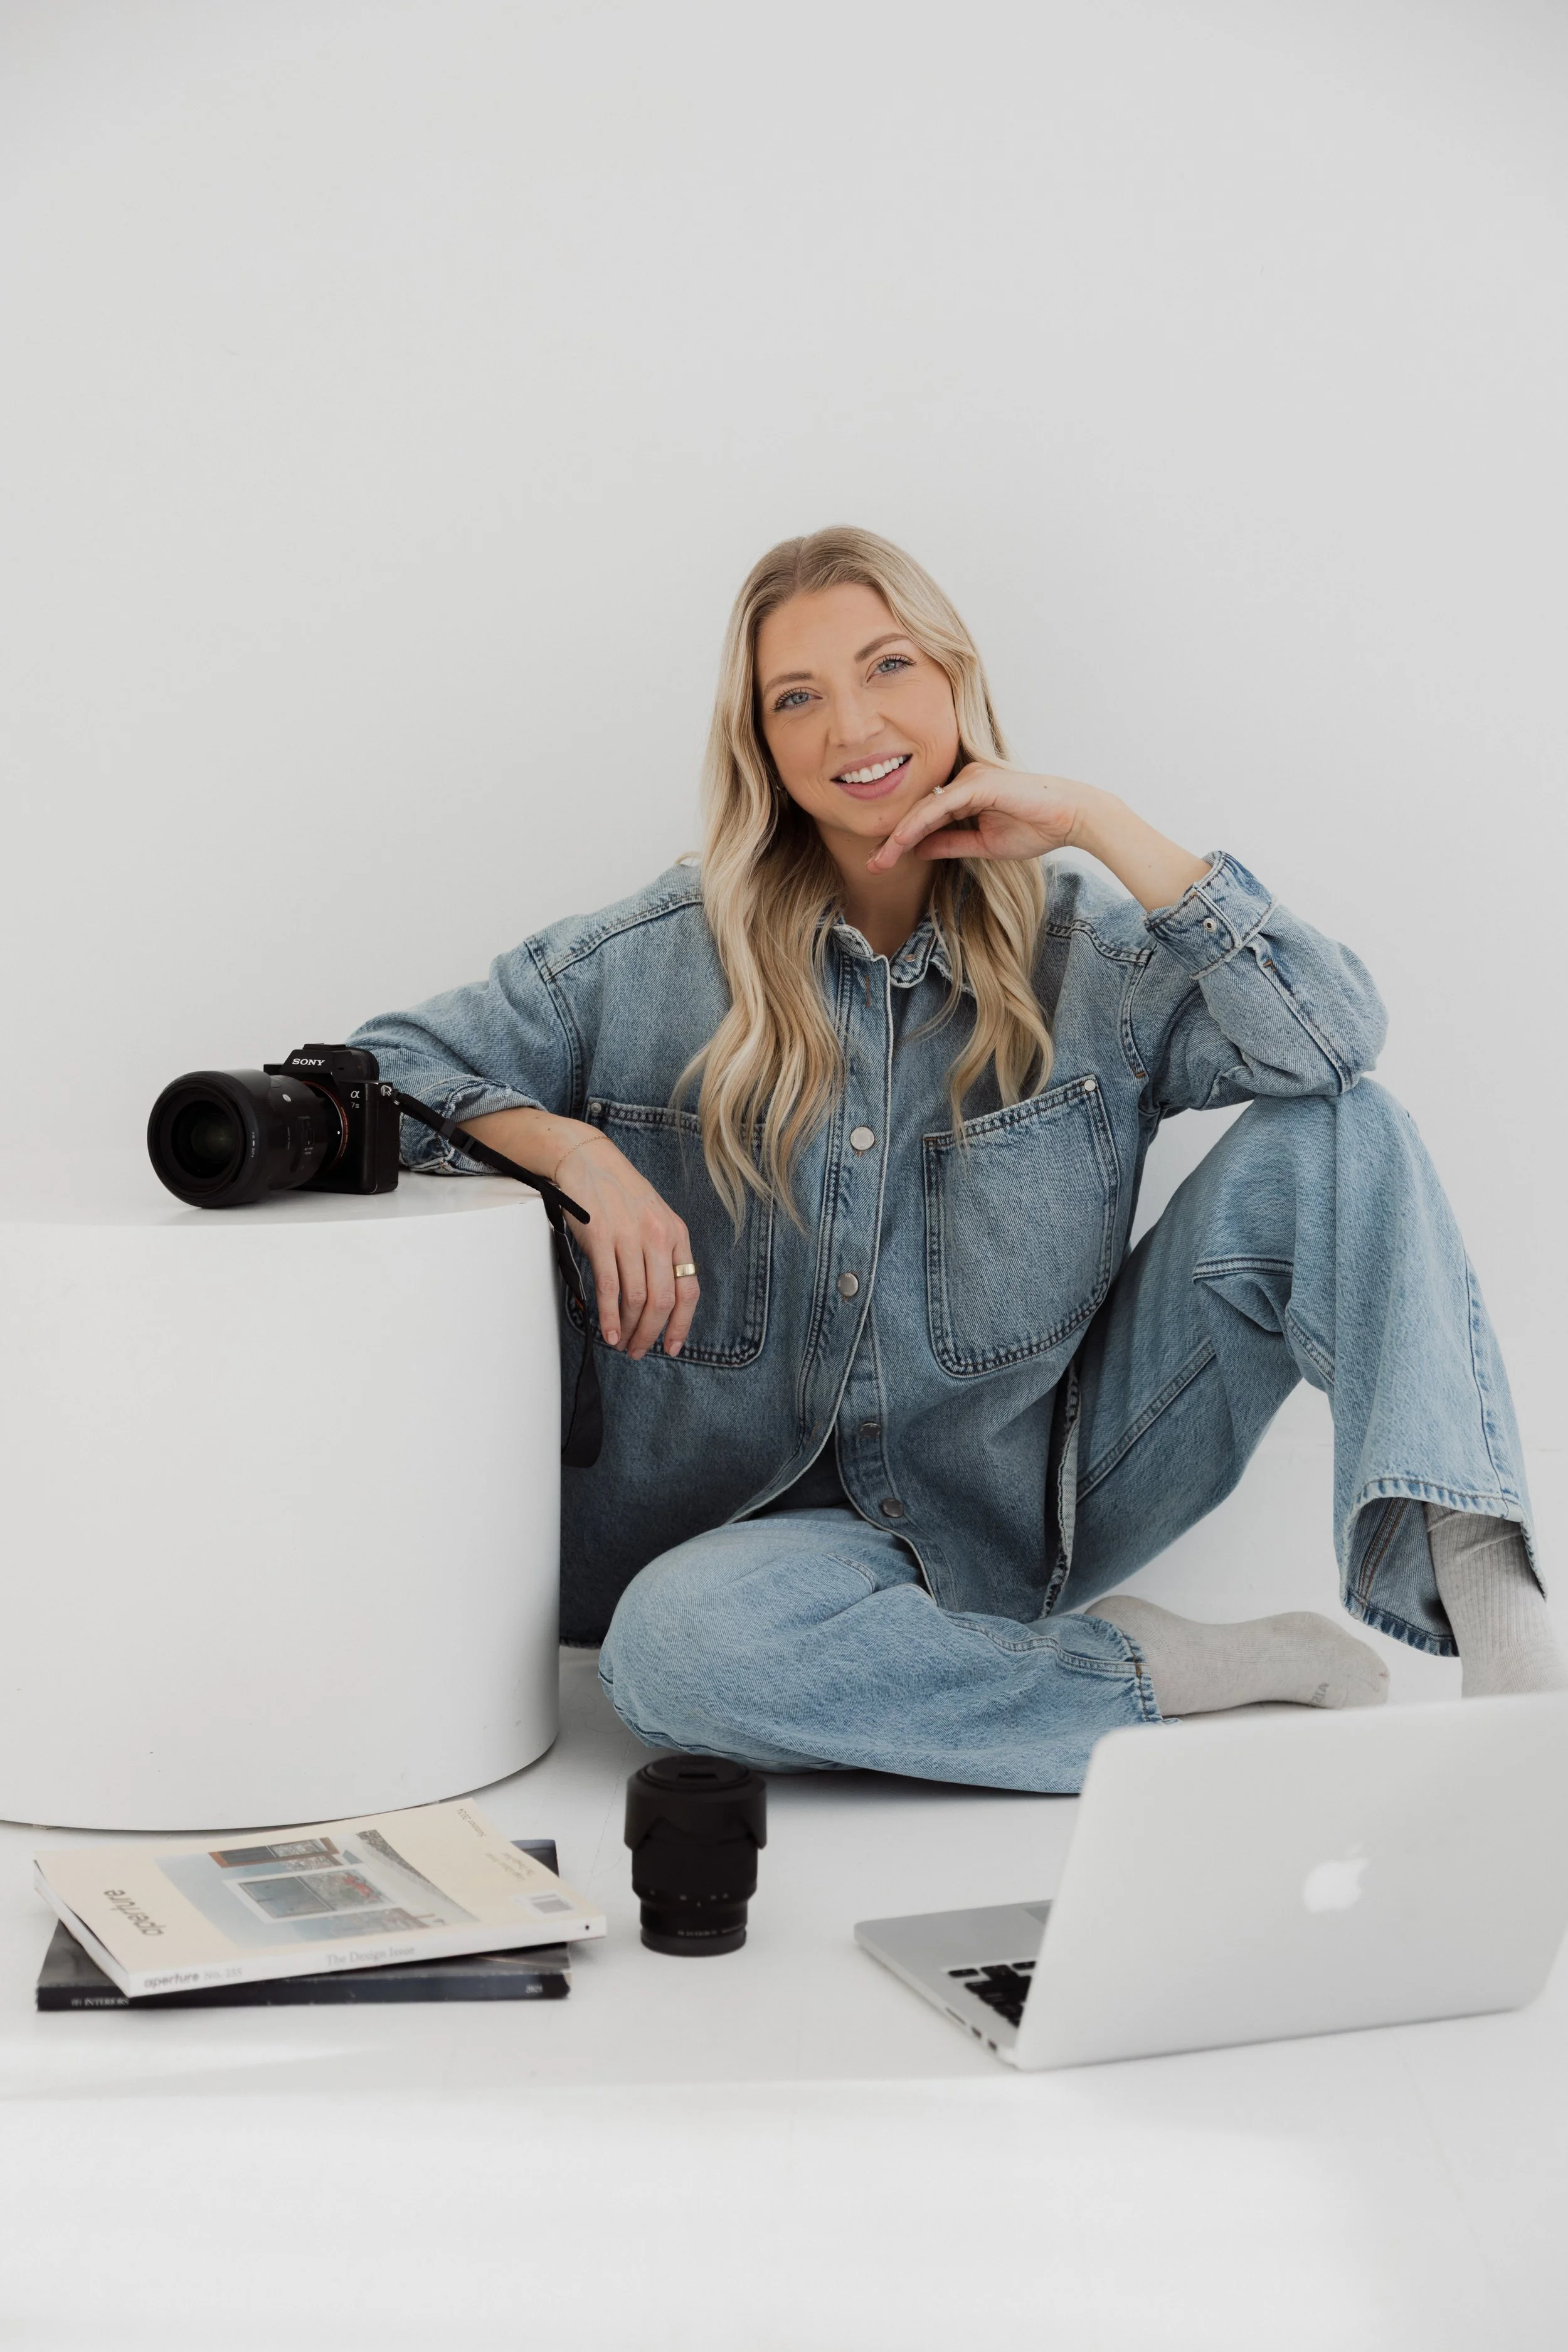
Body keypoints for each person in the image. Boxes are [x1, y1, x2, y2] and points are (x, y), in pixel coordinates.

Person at [350, 526, 1562, 1790]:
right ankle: (1140, 1675)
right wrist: (566, 1152)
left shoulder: (1092, 955)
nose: (850, 725)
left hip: (1032, 1502)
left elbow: (1329, 1042)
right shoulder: (642, 964)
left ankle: (1499, 1622)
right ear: (758, 745)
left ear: (951, 681)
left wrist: (1099, 823)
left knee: (1338, 1133)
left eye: (887, 668)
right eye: (796, 698)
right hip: (744, 1564)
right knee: (671, 1657)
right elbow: (371, 1072)